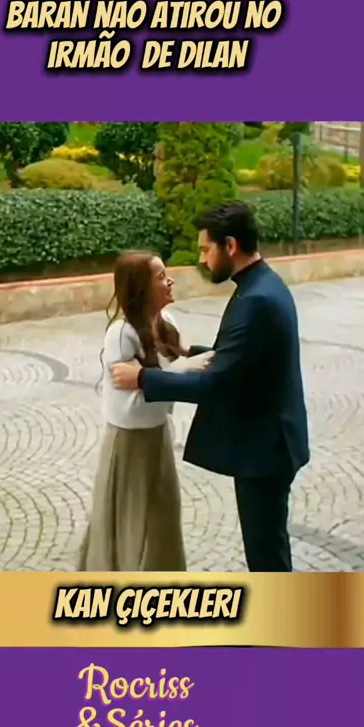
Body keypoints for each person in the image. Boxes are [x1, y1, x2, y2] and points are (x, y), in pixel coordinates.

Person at [110, 202, 310, 573]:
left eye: (206, 249)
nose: (202, 259)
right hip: (272, 441)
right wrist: (192, 352)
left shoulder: (256, 300)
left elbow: (215, 384)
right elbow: (241, 356)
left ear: (229, 245)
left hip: (265, 450)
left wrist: (141, 378)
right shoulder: (263, 284)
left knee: (266, 557)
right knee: (269, 548)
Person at [79, 249, 206, 572]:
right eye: (161, 276)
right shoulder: (122, 334)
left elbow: (162, 380)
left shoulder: (168, 323)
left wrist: (192, 363)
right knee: (131, 521)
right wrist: (186, 368)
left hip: (158, 436)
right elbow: (134, 401)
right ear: (141, 289)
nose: (170, 281)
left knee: (162, 517)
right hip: (130, 442)